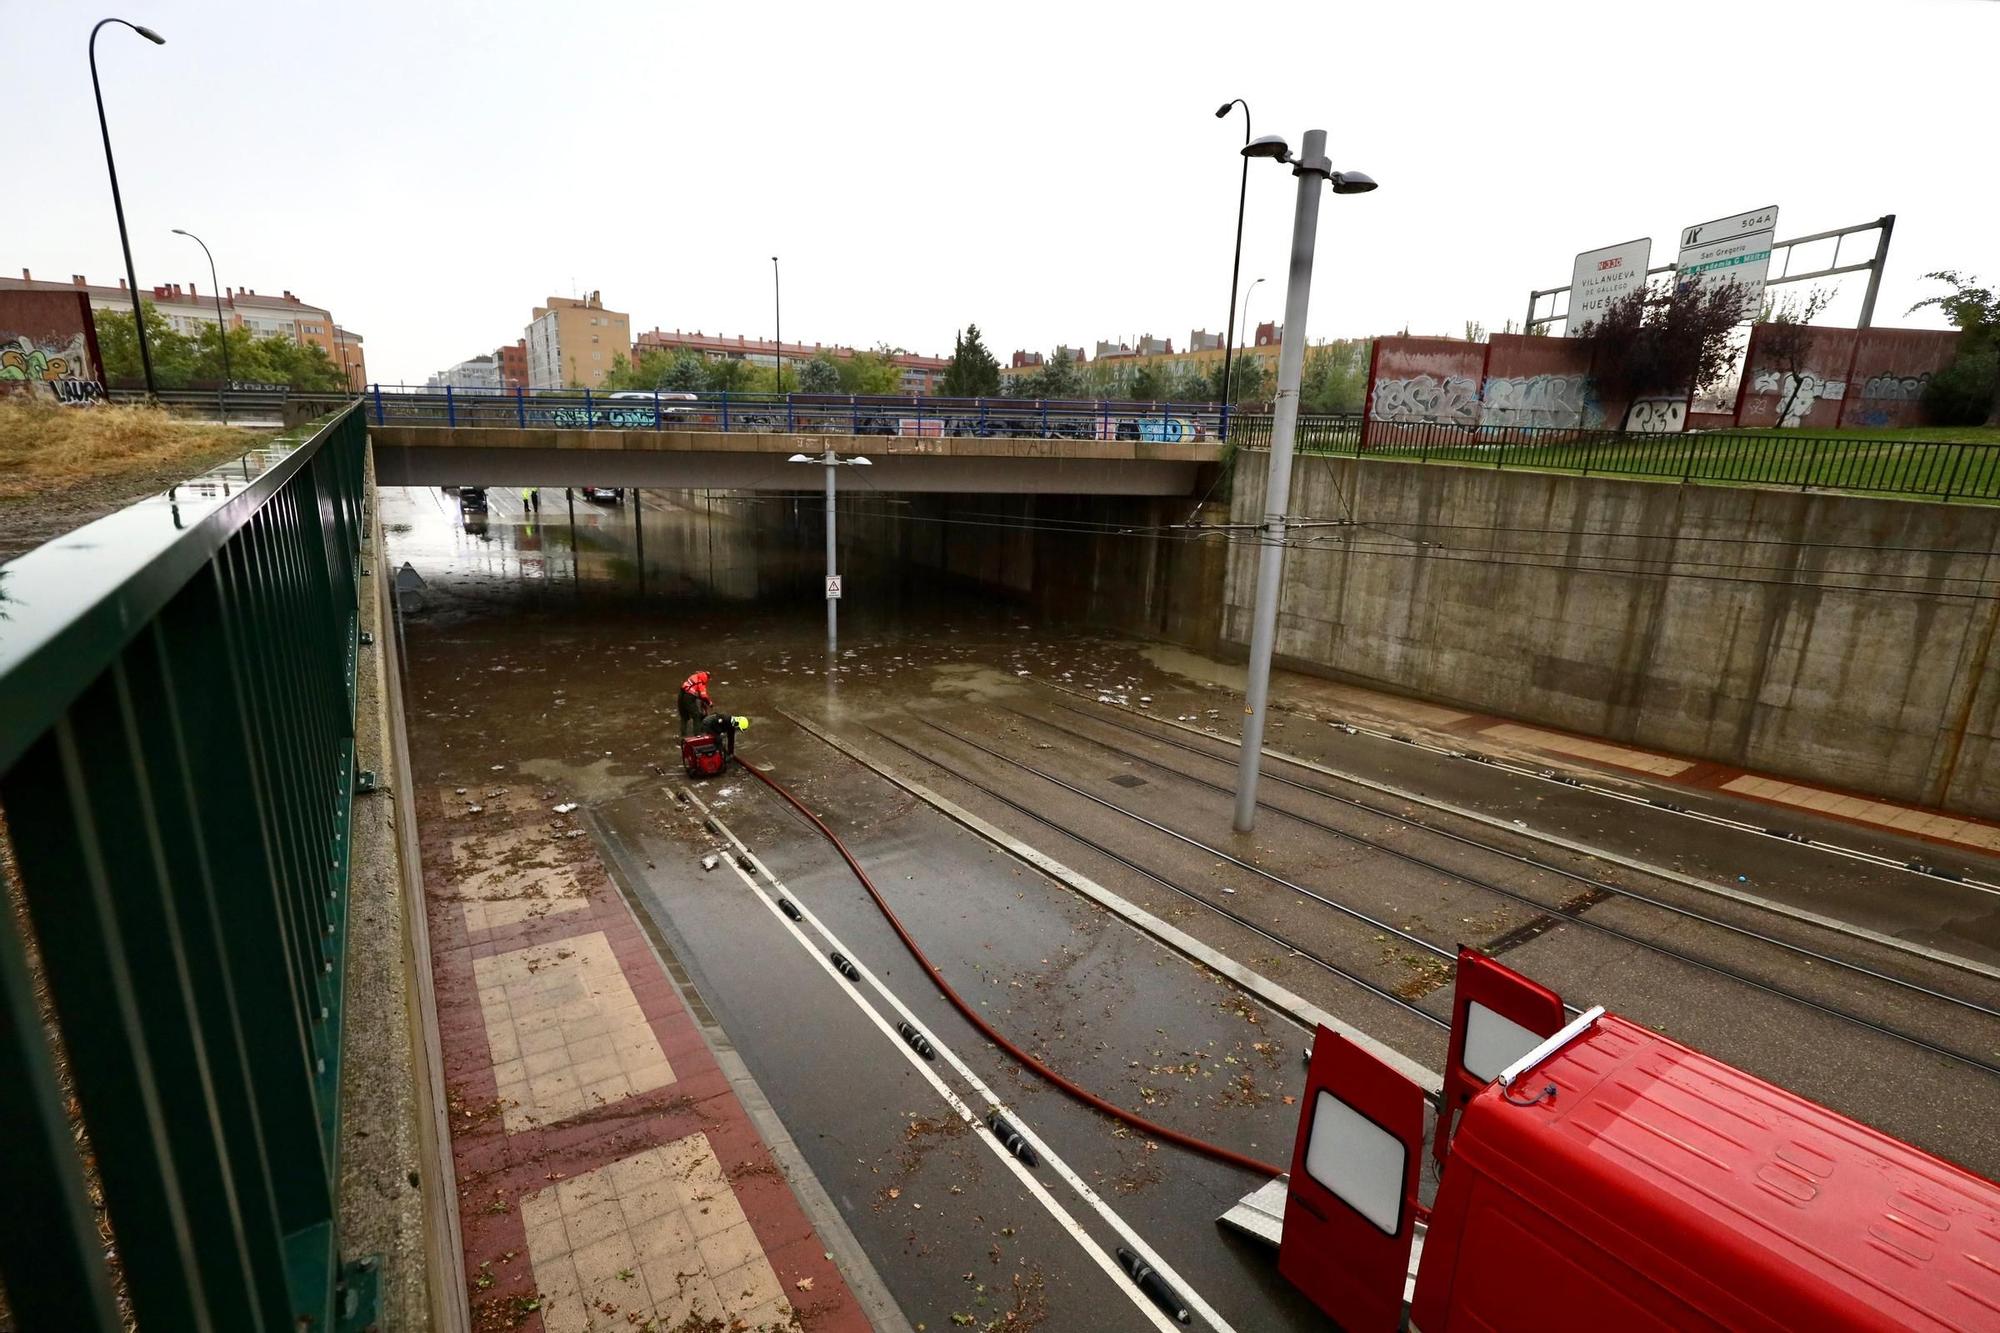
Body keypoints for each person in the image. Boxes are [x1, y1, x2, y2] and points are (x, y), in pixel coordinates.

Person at [678, 670, 713, 736]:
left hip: (681, 695)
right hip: (688, 697)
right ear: (707, 678)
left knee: (684, 717)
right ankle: (697, 736)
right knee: (696, 716)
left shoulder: (695, 676)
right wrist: (710, 703)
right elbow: (703, 696)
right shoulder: (702, 681)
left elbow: (693, 691)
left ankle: (683, 736)